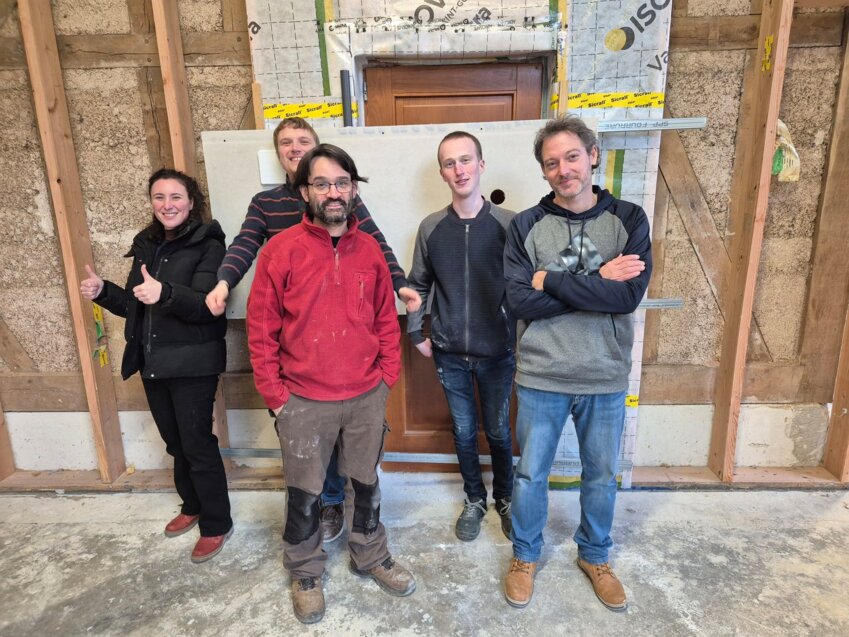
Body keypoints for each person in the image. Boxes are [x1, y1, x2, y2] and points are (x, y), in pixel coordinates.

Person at [205, 117, 420, 544]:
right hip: (301, 378)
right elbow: (245, 247)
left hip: (360, 381)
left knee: (359, 471)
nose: (294, 147)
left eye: (303, 140)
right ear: (305, 189)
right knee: (306, 474)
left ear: (351, 188)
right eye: (285, 142)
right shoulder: (271, 217)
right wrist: (224, 281)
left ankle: (354, 530)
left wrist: (399, 289)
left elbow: (377, 254)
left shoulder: (353, 219)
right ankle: (309, 549)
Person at [247, 143, 415, 624]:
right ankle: (305, 571)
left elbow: (386, 321)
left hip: (365, 396)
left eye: (342, 183)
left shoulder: (370, 251)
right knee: (304, 494)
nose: (334, 192)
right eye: (322, 183)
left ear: (354, 189)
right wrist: (277, 397)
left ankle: (370, 554)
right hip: (302, 400)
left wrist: (385, 380)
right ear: (305, 191)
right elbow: (261, 330)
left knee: (366, 485)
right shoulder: (280, 251)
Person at [502, 115, 651, 611]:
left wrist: (551, 280)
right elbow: (519, 302)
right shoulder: (525, 225)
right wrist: (597, 281)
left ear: (592, 156)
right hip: (541, 375)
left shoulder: (629, 219)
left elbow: (626, 296)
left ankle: (595, 555)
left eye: (571, 157)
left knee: (601, 475)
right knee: (530, 475)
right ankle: (525, 555)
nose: (563, 169)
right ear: (544, 171)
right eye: (551, 163)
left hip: (604, 374)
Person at [81, 168, 233, 563]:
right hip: (153, 363)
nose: (167, 205)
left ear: (191, 202)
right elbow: (136, 304)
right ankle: (192, 505)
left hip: (194, 364)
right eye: (159, 197)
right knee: (176, 444)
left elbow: (207, 307)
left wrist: (164, 292)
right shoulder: (147, 244)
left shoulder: (209, 245)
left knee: (197, 445)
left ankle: (217, 523)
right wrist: (103, 292)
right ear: (151, 203)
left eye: (176, 196)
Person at [407, 131, 516, 542]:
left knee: (500, 431)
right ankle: (474, 498)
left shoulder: (510, 225)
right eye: (450, 163)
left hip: (498, 351)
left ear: (481, 165)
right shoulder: (431, 227)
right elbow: (418, 283)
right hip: (449, 352)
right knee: (464, 431)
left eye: (466, 160)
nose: (459, 169)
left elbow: (524, 285)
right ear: (442, 173)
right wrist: (416, 330)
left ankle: (505, 497)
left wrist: (521, 335)